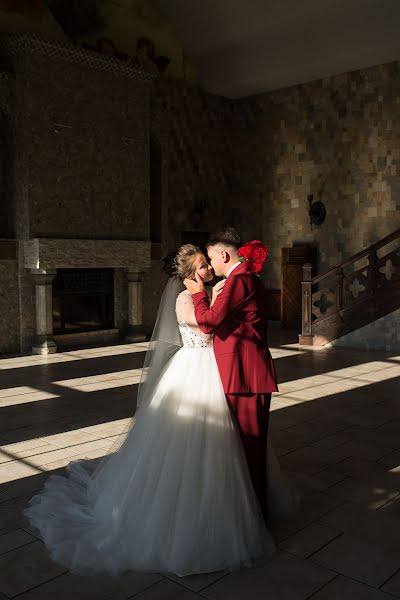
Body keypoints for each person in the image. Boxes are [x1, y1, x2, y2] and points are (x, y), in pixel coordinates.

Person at [24, 243, 290, 577]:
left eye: (208, 263)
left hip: (218, 372)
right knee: (191, 445)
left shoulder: (215, 290)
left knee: (227, 445)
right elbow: (206, 327)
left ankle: (235, 506)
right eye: (203, 266)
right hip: (194, 373)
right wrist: (203, 295)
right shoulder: (184, 298)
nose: (208, 268)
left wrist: (215, 292)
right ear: (190, 274)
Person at [184, 227, 278, 520]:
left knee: (250, 449)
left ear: (223, 254)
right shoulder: (238, 280)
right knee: (242, 448)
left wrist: (199, 295)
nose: (210, 265)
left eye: (211, 258)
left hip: (246, 377)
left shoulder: (240, 280)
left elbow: (209, 322)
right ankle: (244, 511)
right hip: (240, 373)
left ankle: (254, 517)